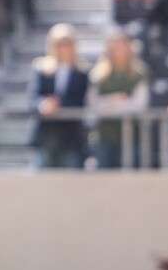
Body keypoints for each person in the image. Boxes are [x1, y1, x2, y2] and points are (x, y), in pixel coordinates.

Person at [29, 24, 89, 170]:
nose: (62, 48)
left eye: (66, 44)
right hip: (46, 135)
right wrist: (43, 104)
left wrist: (59, 105)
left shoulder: (82, 72)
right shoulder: (41, 69)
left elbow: (82, 101)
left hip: (71, 137)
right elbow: (34, 97)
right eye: (58, 44)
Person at [89, 28, 150, 169]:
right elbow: (93, 106)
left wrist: (108, 104)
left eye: (121, 45)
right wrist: (117, 99)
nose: (117, 49)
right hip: (104, 137)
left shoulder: (139, 73)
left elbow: (139, 105)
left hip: (132, 137)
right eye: (113, 45)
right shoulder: (98, 75)